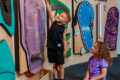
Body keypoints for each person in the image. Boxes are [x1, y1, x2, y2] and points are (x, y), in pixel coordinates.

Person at [44, 0, 71, 80]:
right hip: (51, 48)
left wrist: (65, 50)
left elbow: (64, 40)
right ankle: (56, 78)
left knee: (61, 66)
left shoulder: (63, 29)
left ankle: (61, 78)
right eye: (60, 14)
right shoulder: (53, 22)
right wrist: (47, 3)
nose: (59, 15)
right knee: (54, 65)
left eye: (62, 16)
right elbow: (49, 11)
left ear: (64, 22)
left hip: (59, 49)